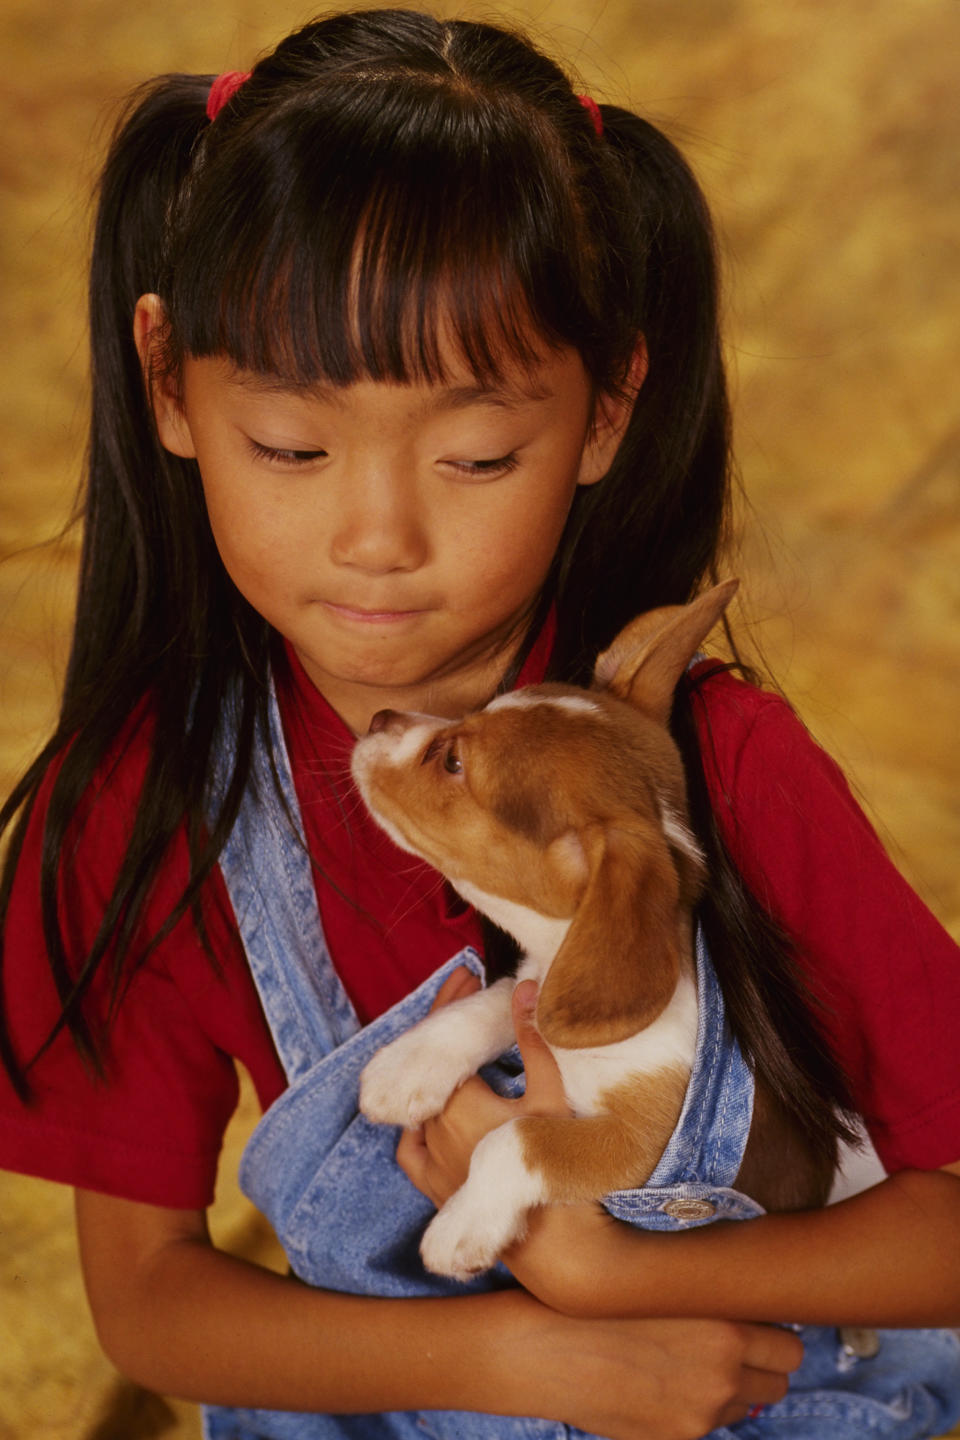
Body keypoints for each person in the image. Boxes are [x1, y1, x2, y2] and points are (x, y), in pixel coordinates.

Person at [1, 9, 958, 1439]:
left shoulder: (718, 769)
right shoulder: (138, 805)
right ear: (166, 383)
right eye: (292, 447)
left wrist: (608, 1278)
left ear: (608, 411)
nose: (378, 535)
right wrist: (516, 1365)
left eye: (476, 455)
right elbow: (146, 1300)